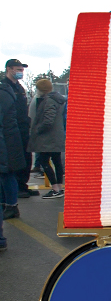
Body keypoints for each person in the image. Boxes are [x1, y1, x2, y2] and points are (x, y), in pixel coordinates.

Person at [1, 59, 36, 199]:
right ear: (9, 69)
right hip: (11, 130)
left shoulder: (19, 88)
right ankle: (15, 189)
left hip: (22, 128)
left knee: (26, 159)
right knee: (14, 160)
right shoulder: (4, 87)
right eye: (18, 69)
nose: (21, 72)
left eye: (22, 70)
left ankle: (22, 185)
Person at [28, 79, 66, 199]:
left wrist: (38, 129)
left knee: (44, 161)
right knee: (57, 161)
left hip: (48, 138)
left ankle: (55, 188)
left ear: (41, 89)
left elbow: (48, 120)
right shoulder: (58, 99)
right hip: (56, 135)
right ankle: (60, 187)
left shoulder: (48, 101)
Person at [0, 67, 25, 220]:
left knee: (7, 173)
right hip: (10, 138)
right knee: (4, 175)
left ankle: (11, 205)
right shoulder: (8, 90)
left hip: (7, 140)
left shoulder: (3, 93)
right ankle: (6, 204)